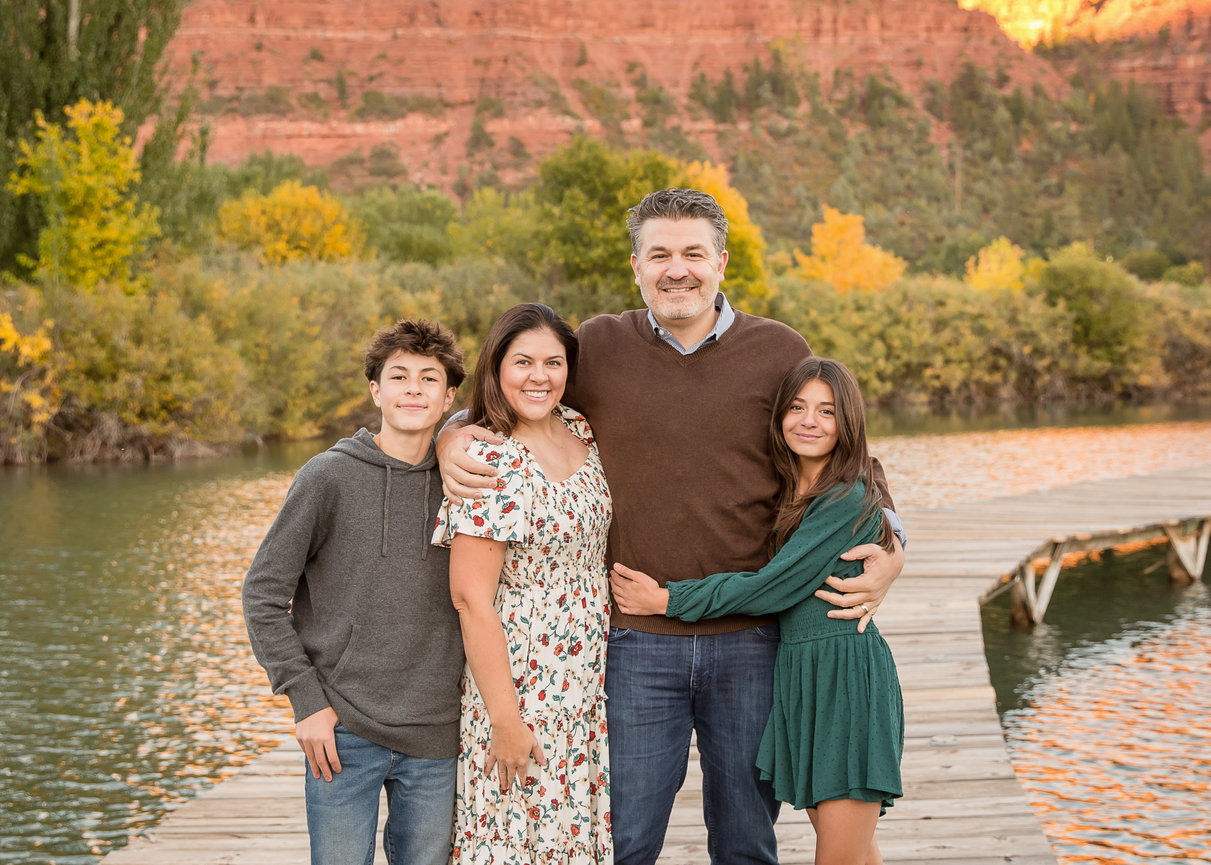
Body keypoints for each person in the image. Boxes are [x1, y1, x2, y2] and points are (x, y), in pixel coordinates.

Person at [438, 188, 905, 865]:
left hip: (751, 639)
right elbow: (516, 391)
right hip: (632, 642)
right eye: (659, 254)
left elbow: (843, 449)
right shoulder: (597, 346)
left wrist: (892, 540)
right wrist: (455, 434)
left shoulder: (777, 350)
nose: (676, 269)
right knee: (623, 838)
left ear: (720, 262)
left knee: (746, 838)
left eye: (692, 253)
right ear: (636, 265)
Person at [610, 357, 903, 865]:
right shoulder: (798, 489)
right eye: (797, 407)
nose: (809, 420)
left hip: (844, 681)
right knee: (857, 853)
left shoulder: (845, 499)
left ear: (848, 423)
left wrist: (667, 600)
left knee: (839, 856)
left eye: (827, 411)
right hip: (806, 677)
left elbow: (771, 589)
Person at [242, 319, 466, 865]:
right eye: (399, 376)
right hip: (342, 732)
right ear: (376, 390)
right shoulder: (327, 478)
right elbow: (264, 594)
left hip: (438, 734)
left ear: (448, 396)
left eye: (429, 378)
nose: (413, 388)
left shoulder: (466, 482)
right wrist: (306, 702)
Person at [433, 302, 613, 864]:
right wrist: (505, 721)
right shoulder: (488, 455)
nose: (540, 376)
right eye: (523, 362)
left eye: (553, 363)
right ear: (496, 368)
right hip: (523, 680)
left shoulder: (581, 430)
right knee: (517, 835)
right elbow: (469, 598)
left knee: (570, 835)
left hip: (585, 682)